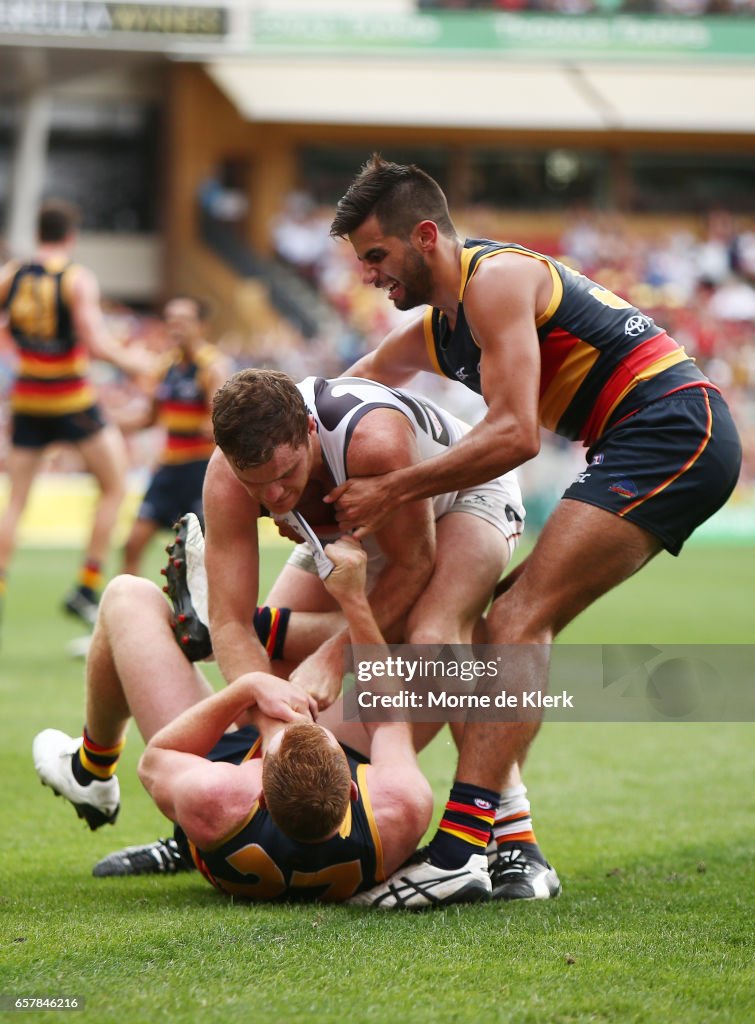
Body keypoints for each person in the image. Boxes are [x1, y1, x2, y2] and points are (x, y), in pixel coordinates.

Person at [317, 153, 743, 908]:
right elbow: (342, 393)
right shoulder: (436, 331)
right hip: (636, 438)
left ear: (424, 236)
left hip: (676, 427)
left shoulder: (496, 280)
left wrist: (391, 488)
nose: (368, 277)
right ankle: (515, 851)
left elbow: (514, 435)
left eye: (376, 257)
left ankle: (456, 852)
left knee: (516, 619)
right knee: (491, 634)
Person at [108, 366, 557, 902]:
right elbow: (228, 622)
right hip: (341, 519)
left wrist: (334, 655)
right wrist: (272, 728)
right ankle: (198, 825)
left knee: (431, 637)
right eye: (257, 485)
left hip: (459, 498)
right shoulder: (231, 477)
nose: (274, 497)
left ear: (309, 432)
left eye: (285, 474)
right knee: (271, 666)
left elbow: (413, 566)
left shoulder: (372, 441)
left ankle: (503, 834)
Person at [32, 538, 451, 904]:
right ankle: (499, 811)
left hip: (221, 809)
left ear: (259, 788)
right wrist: (356, 603)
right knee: (447, 654)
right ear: (356, 792)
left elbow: (159, 755)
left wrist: (248, 689)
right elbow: (389, 716)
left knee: (126, 594)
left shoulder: (216, 793)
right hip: (278, 821)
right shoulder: (401, 806)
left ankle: (92, 767)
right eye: (312, 725)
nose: (300, 713)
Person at [0, 198, 147, 630]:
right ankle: (85, 586)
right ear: (70, 235)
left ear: (38, 232)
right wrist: (136, 363)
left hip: (28, 396)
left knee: (17, 499)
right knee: (115, 482)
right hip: (70, 396)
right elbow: (95, 342)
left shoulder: (13, 275)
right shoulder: (75, 278)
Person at [120, 296, 229, 576]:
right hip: (168, 468)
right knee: (132, 544)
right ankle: (131, 606)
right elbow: (150, 418)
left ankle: (205, 615)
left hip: (199, 470)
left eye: (183, 321)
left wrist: (206, 425)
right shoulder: (166, 367)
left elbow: (219, 422)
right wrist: (110, 422)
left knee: (198, 554)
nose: (175, 327)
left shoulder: (212, 367)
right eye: (170, 320)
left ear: (201, 326)